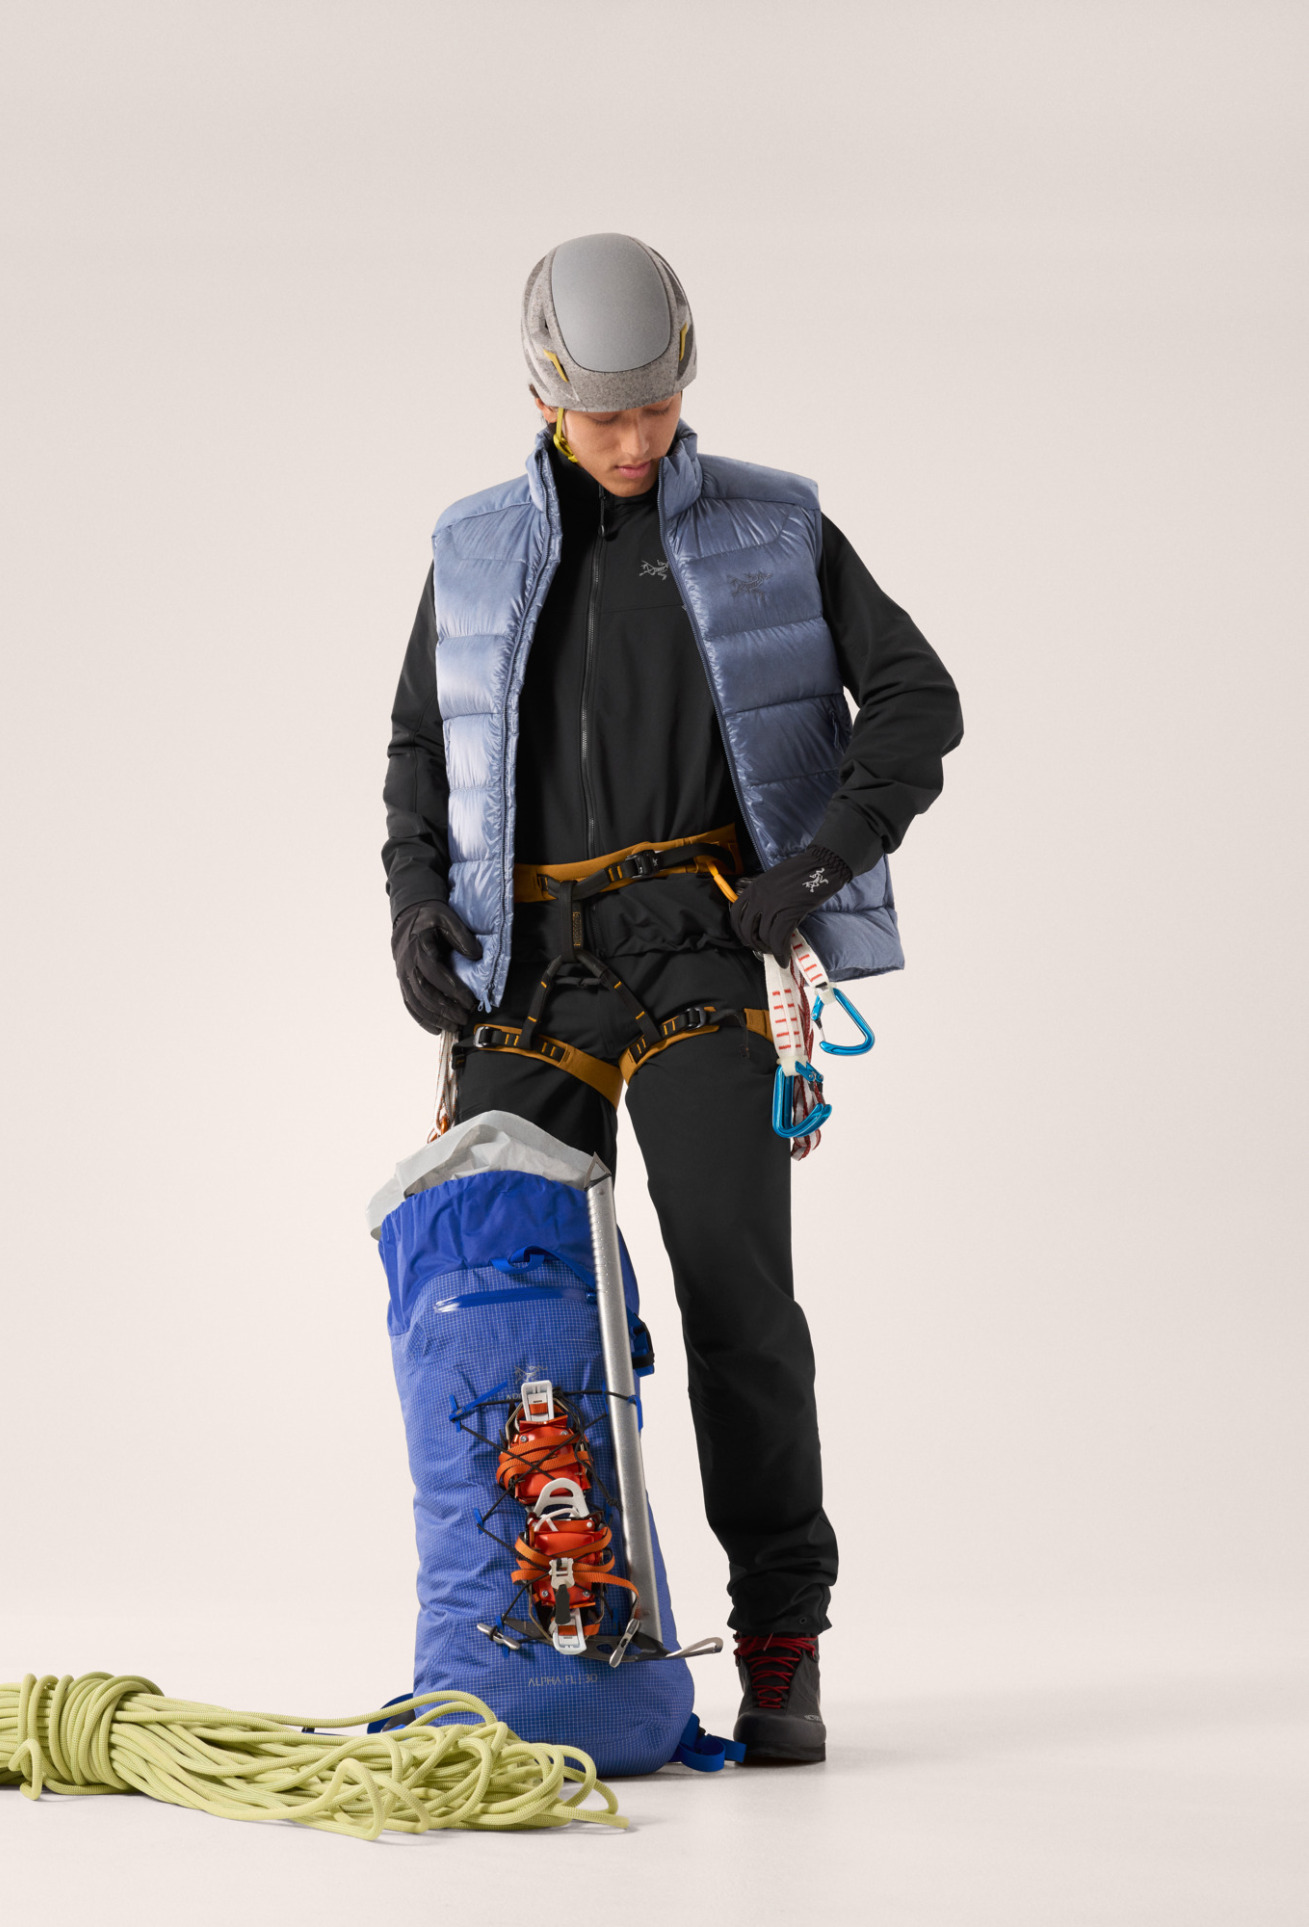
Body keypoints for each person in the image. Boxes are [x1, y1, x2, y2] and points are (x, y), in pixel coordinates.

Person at [382, 232, 962, 1765]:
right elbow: (420, 754)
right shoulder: (471, 548)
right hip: (530, 971)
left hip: (703, 950)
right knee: (505, 1306)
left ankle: (779, 1636)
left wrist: (815, 862)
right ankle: (536, 1642)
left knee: (735, 1303)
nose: (635, 440)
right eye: (604, 416)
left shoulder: (773, 525)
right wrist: (413, 908)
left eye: (656, 407)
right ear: (541, 396)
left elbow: (915, 698)